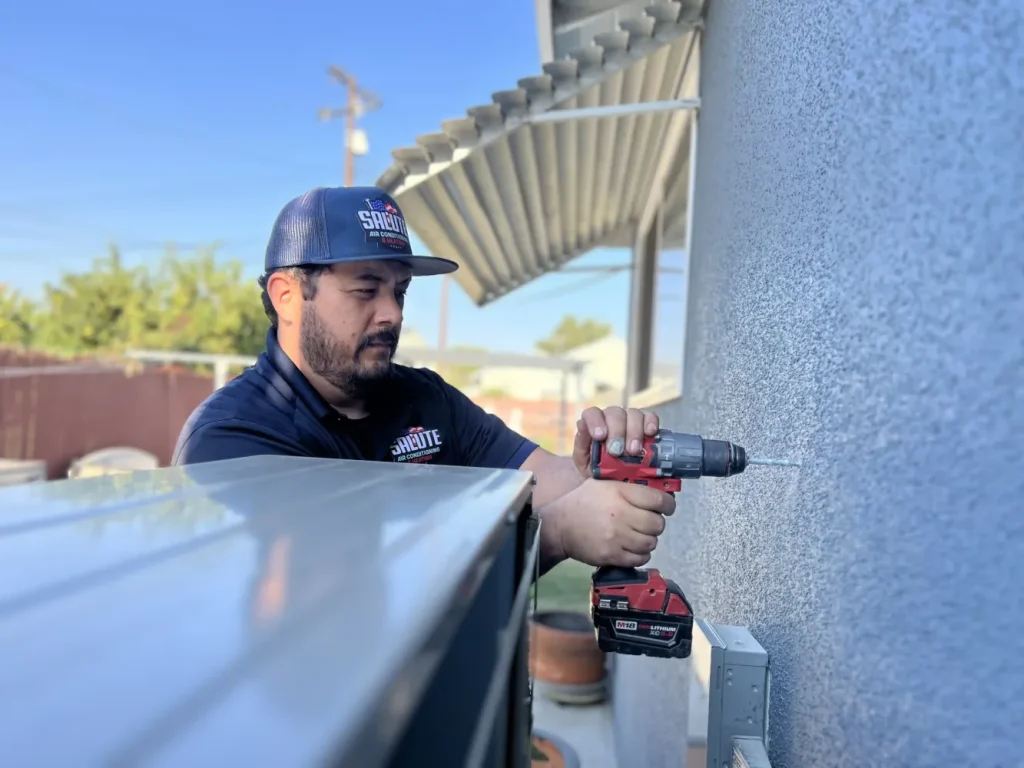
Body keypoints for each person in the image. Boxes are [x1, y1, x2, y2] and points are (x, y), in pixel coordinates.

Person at [172, 186, 676, 575]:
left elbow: (542, 482)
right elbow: (353, 586)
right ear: (287, 296)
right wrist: (557, 533)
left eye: (400, 291)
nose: (392, 314)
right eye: (366, 289)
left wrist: (599, 464)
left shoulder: (426, 398)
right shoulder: (231, 440)